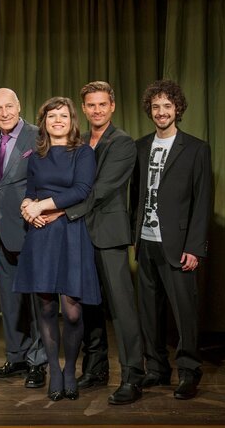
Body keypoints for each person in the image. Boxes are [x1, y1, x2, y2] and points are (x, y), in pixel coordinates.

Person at [57, 81, 144, 405]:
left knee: (122, 309)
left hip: (108, 235)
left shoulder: (121, 143)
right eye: (91, 105)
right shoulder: (77, 142)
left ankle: (133, 376)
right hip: (80, 235)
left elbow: (100, 189)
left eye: (102, 105)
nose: (96, 110)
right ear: (84, 108)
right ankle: (95, 369)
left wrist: (58, 210)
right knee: (89, 304)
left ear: (113, 106)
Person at [131, 80, 212, 400]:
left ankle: (189, 371)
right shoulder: (140, 147)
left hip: (179, 245)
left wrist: (195, 247)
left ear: (177, 109)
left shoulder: (196, 148)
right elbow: (135, 197)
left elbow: (203, 201)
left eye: (167, 106)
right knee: (149, 311)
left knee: (184, 311)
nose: (161, 112)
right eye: (156, 107)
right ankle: (156, 368)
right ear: (149, 111)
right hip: (146, 242)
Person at [14, 96, 99, 401]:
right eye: (52, 116)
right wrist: (27, 207)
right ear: (44, 122)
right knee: (46, 305)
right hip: (41, 235)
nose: (58, 121)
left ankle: (71, 370)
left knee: (72, 309)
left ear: (72, 120)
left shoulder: (84, 152)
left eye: (63, 115)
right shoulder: (37, 155)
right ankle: (54, 370)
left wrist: (43, 207)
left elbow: (81, 190)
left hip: (71, 233)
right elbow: (30, 190)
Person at [0, 88, 48, 389]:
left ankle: (38, 361)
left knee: (37, 302)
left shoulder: (38, 136)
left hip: (31, 230)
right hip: (0, 233)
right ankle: (17, 357)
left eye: (9, 106)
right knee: (9, 302)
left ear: (19, 105)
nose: (4, 113)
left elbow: (50, 178)